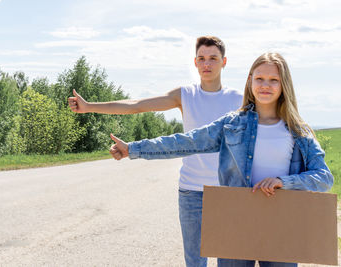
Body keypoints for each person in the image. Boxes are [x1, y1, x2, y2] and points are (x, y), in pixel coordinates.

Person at [108, 52, 333, 267]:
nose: (265, 85)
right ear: (250, 80)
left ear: (284, 84)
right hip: (235, 221)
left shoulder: (298, 131)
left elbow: (324, 178)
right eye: (260, 78)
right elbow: (186, 141)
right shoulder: (231, 124)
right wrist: (133, 149)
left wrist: (283, 181)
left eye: (273, 80)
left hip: (281, 224)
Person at [69, 36, 243, 266]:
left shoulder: (238, 99)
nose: (207, 64)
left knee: (230, 261)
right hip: (191, 192)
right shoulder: (185, 95)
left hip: (226, 192)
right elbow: (137, 105)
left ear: (224, 62)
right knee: (195, 262)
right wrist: (90, 107)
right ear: (195, 62)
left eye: (213, 58)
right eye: (202, 58)